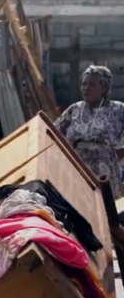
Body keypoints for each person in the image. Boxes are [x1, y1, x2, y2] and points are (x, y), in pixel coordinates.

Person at [54, 65, 124, 198]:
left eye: (92, 84)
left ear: (104, 87)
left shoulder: (118, 110)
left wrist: (121, 153)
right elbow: (53, 133)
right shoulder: (74, 110)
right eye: (83, 84)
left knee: (105, 213)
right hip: (77, 172)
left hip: (105, 175)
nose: (86, 88)